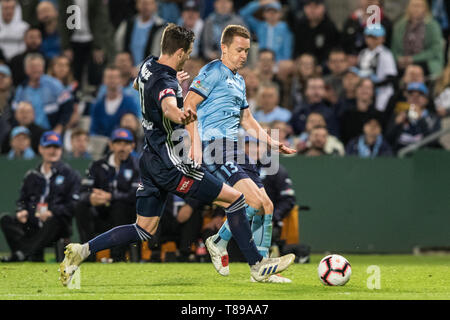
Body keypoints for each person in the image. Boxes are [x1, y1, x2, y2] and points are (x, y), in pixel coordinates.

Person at [59, 24, 295, 286]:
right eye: (189, 52)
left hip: (149, 158)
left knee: (143, 229)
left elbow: (139, 83)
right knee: (236, 200)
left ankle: (83, 250)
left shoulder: (148, 66)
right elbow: (170, 105)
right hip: (171, 164)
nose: (190, 56)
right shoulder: (168, 82)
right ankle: (256, 264)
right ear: (181, 52)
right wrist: (180, 113)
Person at [184, 24, 296, 283]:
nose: (244, 55)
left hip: (235, 148)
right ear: (224, 48)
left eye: (247, 50)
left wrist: (270, 142)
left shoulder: (239, 80)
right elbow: (189, 104)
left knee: (266, 205)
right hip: (215, 147)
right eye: (239, 50)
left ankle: (257, 266)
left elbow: (246, 118)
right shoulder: (212, 71)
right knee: (254, 203)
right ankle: (251, 261)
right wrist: (196, 144)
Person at [0, 131, 81, 262]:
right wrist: (22, 211)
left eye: (56, 147)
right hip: (32, 224)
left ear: (61, 150)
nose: (52, 151)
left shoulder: (71, 175)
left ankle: (21, 254)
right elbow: (22, 200)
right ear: (40, 149)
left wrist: (52, 212)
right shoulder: (32, 176)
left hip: (56, 227)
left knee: (55, 220)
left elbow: (74, 204)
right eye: (49, 147)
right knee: (5, 219)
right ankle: (28, 252)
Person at [74, 128, 139, 262]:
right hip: (101, 213)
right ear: (111, 145)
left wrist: (110, 197)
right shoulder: (97, 165)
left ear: (132, 146)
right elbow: (83, 190)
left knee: (120, 205)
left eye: (126, 143)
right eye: (118, 143)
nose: (122, 147)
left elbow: (134, 194)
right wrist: (91, 198)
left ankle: (117, 257)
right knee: (81, 206)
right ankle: (87, 255)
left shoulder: (137, 166)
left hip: (127, 217)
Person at [12, 54, 74, 133]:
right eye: (32, 66)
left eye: (38, 66)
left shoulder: (55, 84)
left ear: (43, 68)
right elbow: (15, 112)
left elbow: (67, 107)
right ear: (26, 70)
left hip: (51, 131)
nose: (36, 69)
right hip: (28, 133)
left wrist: (60, 127)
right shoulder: (21, 89)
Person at [391, 0, 444, 79]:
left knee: (413, 71)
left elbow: (434, 50)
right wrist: (400, 59)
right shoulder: (399, 26)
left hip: (426, 62)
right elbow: (394, 49)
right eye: (414, 6)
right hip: (403, 62)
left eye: (419, 6)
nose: (416, 9)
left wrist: (412, 59)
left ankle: (411, 90)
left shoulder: (433, 26)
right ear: (408, 7)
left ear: (425, 8)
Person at [386, 82, 441, 152]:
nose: (415, 98)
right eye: (411, 95)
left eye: (420, 95)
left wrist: (421, 120)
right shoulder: (398, 114)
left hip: (423, 156)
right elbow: (388, 140)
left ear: (427, 100)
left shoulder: (434, 118)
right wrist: (396, 124)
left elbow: (434, 142)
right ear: (407, 98)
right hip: (399, 157)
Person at [89, 66, 141, 138]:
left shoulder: (130, 102)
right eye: (109, 77)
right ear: (104, 80)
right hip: (102, 145)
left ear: (120, 79)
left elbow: (135, 127)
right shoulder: (97, 105)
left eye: (115, 77)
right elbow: (93, 130)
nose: (112, 80)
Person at [358, 24, 397, 112]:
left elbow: (391, 77)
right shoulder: (363, 53)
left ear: (382, 39)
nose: (371, 40)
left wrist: (373, 85)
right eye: (369, 37)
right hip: (365, 89)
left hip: (381, 92)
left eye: (375, 37)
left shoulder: (386, 54)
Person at [114, 0, 166, 67]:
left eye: (149, 4)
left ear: (155, 6)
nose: (146, 7)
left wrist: (139, 69)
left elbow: (157, 54)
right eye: (143, 3)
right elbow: (119, 46)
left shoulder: (161, 27)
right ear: (136, 5)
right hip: (127, 70)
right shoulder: (128, 24)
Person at [290, 0, 340, 66]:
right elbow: (296, 49)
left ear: (323, 8)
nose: (312, 10)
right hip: (302, 63)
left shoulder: (330, 27)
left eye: (316, 7)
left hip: (322, 65)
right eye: (309, 6)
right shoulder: (300, 25)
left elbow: (331, 52)